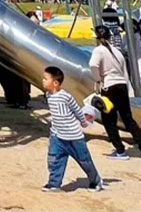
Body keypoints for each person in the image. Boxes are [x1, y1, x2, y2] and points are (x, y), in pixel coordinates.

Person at [89, 24, 141, 160]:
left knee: (109, 120)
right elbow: (124, 72)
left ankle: (120, 150)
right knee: (127, 118)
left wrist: (98, 80)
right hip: (122, 85)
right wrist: (126, 87)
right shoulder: (117, 51)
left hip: (109, 86)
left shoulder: (99, 50)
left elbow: (93, 65)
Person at [40, 65, 103, 193]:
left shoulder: (66, 96)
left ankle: (95, 181)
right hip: (57, 135)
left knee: (84, 161)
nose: (43, 81)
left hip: (73, 137)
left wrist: (83, 122)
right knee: (54, 159)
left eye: (45, 79)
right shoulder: (48, 95)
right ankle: (54, 183)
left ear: (55, 83)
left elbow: (77, 110)